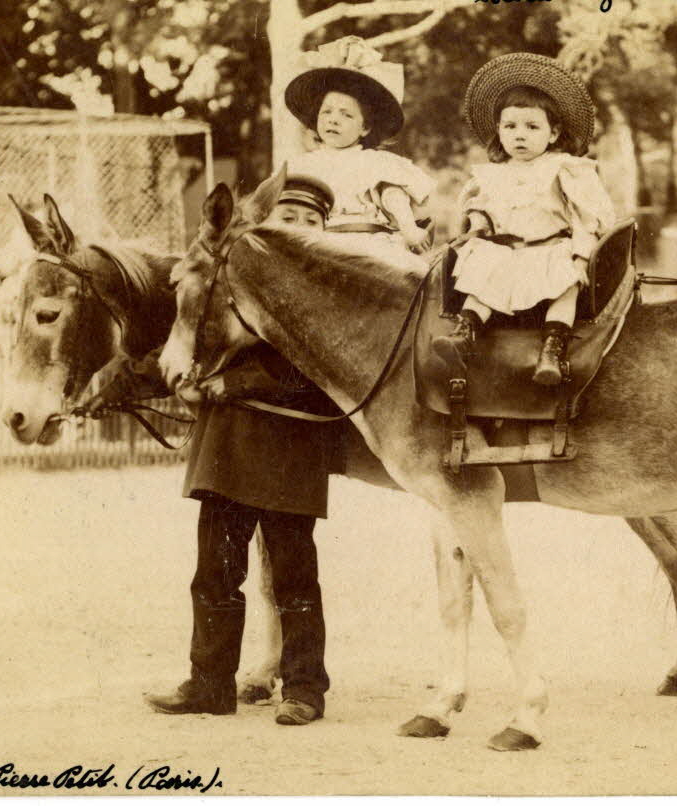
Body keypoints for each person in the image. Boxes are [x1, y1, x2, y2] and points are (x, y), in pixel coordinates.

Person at [134, 174, 341, 725]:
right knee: (215, 572)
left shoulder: (322, 295)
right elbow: (192, 332)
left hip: (291, 445)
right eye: (287, 219)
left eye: (310, 221)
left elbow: (317, 373)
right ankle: (209, 685)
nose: (297, 230)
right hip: (227, 446)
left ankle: (304, 688)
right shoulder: (232, 280)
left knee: (294, 573)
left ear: (326, 231)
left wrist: (234, 384)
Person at [431, 53, 617, 385]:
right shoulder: (493, 175)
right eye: (510, 126)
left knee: (566, 283)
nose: (520, 135)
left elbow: (585, 218)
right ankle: (466, 332)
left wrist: (580, 257)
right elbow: (483, 208)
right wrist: (477, 225)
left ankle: (553, 347)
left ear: (553, 133)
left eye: (532, 127)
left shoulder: (564, 168)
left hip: (551, 249)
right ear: (499, 131)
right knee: (482, 268)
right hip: (508, 252)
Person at [283, 36, 434, 254]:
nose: (333, 120)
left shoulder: (375, 162)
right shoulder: (302, 165)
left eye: (346, 115)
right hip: (318, 246)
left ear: (365, 128)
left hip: (368, 243)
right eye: (326, 112)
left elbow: (393, 196)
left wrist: (409, 229)